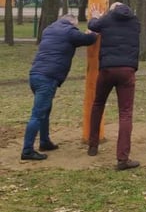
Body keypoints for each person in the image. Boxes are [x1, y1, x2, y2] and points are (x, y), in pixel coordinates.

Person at [21, 13, 97, 161]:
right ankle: (27, 150)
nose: (75, 28)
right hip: (48, 77)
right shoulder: (69, 31)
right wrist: (93, 31)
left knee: (45, 111)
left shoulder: (48, 30)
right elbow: (90, 39)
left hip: (35, 74)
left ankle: (44, 141)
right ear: (72, 22)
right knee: (37, 114)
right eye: (75, 25)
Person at [87, 1, 141, 170]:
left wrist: (97, 16)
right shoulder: (135, 21)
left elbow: (92, 25)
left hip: (107, 69)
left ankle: (93, 145)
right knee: (125, 113)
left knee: (97, 104)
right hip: (127, 70)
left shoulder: (107, 19)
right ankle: (122, 159)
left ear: (112, 10)